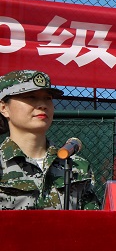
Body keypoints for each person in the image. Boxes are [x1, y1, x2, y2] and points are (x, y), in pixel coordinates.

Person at [0, 70, 100, 210]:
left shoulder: (76, 166)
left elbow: (91, 220)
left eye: (48, 98)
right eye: (31, 97)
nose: (43, 105)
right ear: (4, 108)